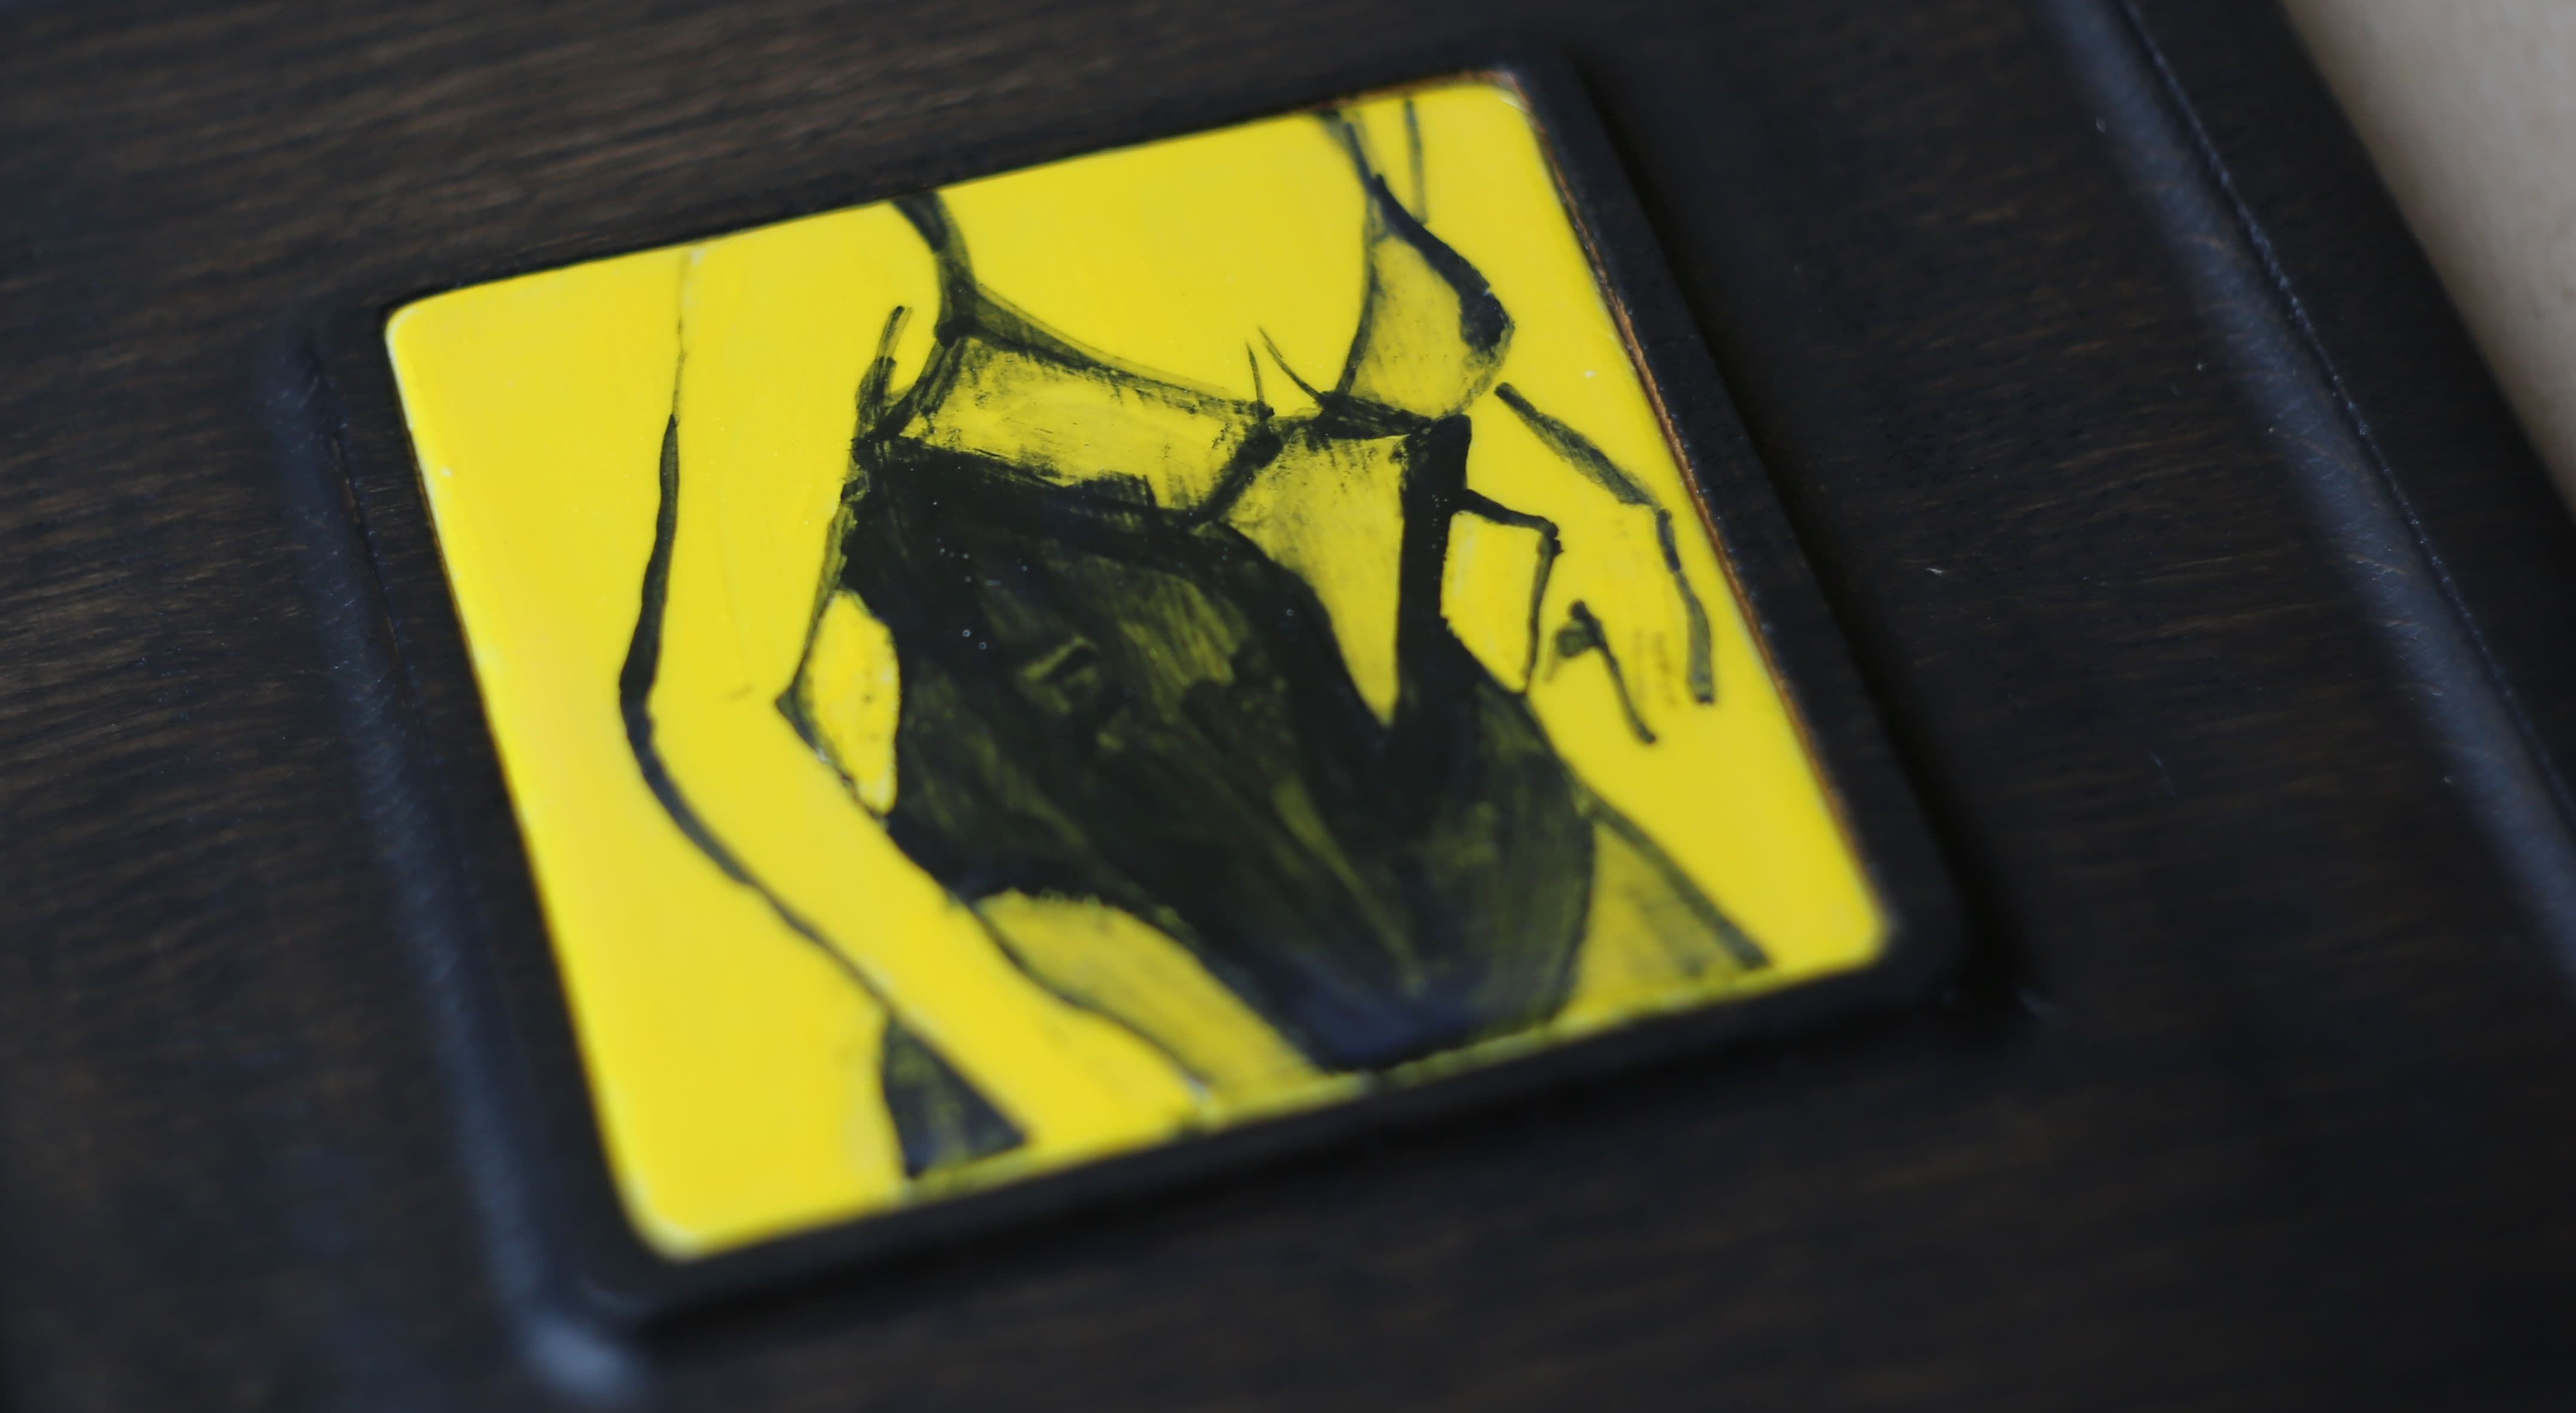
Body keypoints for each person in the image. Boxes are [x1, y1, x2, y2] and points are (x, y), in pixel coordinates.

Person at [626, 88, 1764, 1186]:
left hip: (1481, 816)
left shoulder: (1342, 91)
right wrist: (1046, 1060)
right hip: (1106, 947)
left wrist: (1597, 498)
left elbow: (1383, 398)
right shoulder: (839, 243)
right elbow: (708, 712)